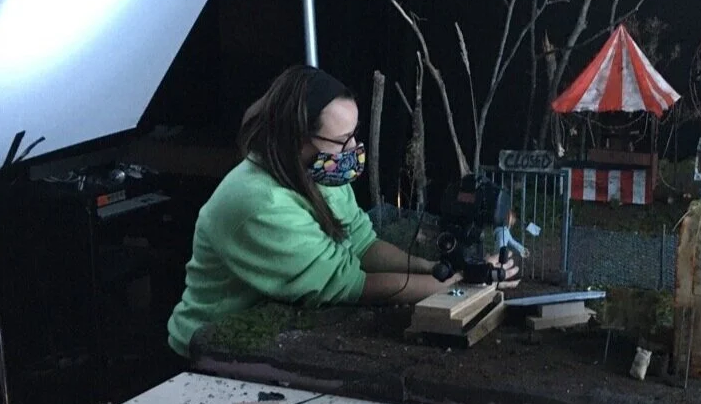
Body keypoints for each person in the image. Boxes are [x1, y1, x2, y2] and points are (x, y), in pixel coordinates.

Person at [166, 65, 516, 359]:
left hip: (271, 332)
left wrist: (435, 269)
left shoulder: (320, 172)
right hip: (210, 348)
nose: (353, 149)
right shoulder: (260, 204)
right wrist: (458, 286)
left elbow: (363, 245)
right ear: (296, 138)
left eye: (354, 135)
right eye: (341, 140)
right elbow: (348, 285)